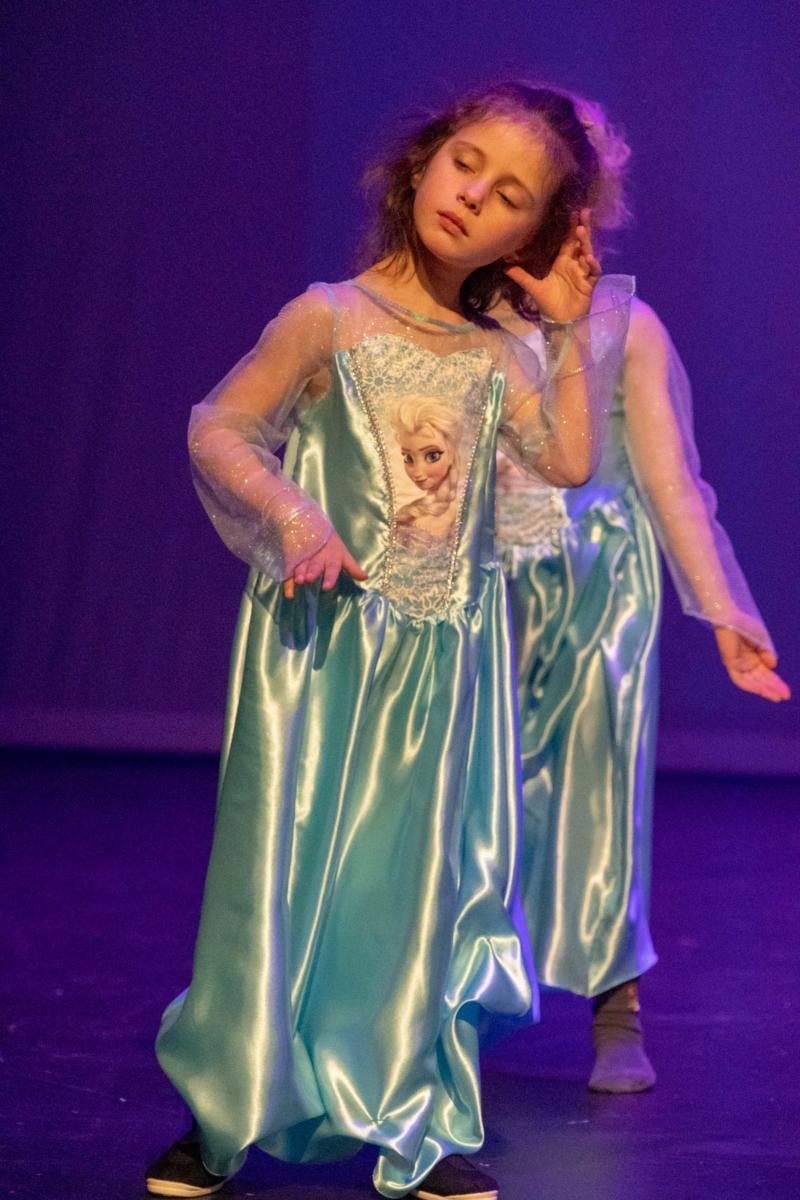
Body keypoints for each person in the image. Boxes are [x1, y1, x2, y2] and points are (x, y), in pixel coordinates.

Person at [144, 81, 632, 1200]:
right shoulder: (329, 316)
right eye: (466, 164)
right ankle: (224, 1114)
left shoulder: (494, 353)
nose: (474, 197)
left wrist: (568, 327)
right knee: (280, 875)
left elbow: (568, 463)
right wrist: (294, 517)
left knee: (414, 894)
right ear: (423, 161)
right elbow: (221, 426)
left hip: (441, 668)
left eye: (511, 196)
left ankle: (413, 1119)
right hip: (320, 657)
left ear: (530, 236)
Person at [495, 92, 790, 1097]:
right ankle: (448, 997)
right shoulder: (463, 324)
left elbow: (671, 482)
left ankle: (615, 1006)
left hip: (596, 595)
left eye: (565, 197)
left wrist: (725, 613)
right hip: (487, 592)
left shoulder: (630, 327)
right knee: (468, 797)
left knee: (598, 791)